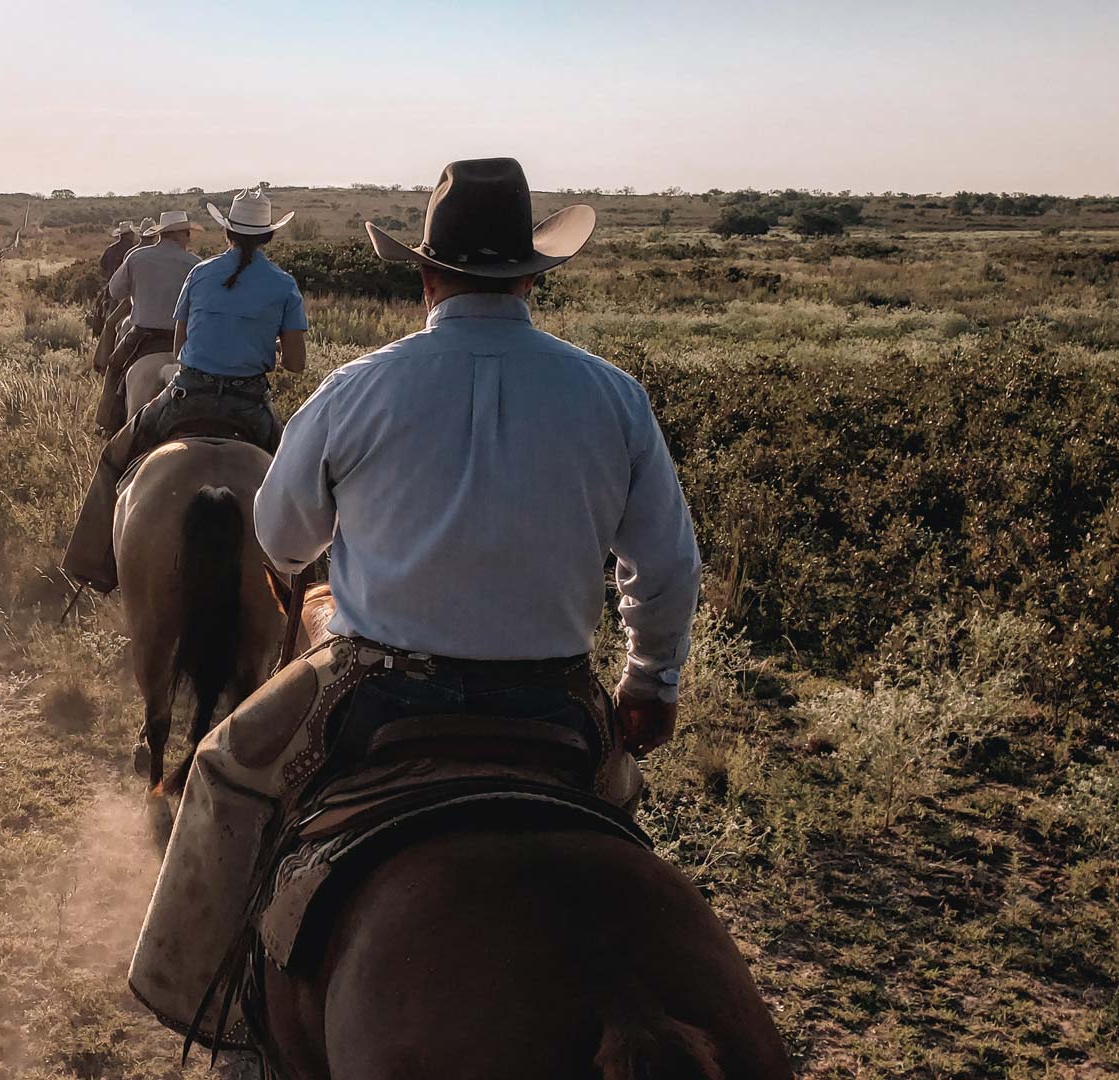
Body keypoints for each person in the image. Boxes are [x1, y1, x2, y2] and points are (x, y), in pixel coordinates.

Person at [128, 158, 702, 1039]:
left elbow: (281, 538)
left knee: (220, 765)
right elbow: (665, 564)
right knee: (616, 813)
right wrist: (650, 683)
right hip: (554, 696)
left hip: (375, 687)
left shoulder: (361, 387)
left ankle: (211, 1018)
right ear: (529, 276)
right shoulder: (612, 396)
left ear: (425, 274)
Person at [62, 189, 308, 593]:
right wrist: (270, 347)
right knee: (301, 479)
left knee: (114, 456)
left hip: (185, 397)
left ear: (227, 232)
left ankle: (95, 565)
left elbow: (179, 348)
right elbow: (296, 364)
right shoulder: (283, 285)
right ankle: (306, 589)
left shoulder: (200, 274)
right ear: (268, 237)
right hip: (248, 406)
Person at [88, 209, 201, 437]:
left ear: (162, 234)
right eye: (187, 233)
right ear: (180, 234)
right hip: (186, 340)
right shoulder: (196, 264)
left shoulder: (137, 257)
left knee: (115, 365)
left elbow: (115, 290)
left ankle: (108, 424)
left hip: (143, 335)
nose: (189, 238)